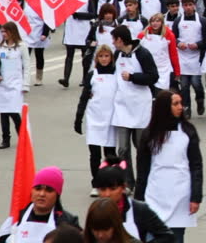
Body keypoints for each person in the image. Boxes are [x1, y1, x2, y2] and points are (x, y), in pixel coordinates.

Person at [136, 91, 203, 243]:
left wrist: (196, 197)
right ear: (164, 107)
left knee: (176, 238)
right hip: (155, 195)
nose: (181, 107)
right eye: (175, 104)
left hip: (180, 196)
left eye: (181, 103)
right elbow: (142, 170)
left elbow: (196, 166)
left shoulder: (188, 131)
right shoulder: (149, 135)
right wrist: (138, 201)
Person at [110, 25, 159, 192]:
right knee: (122, 149)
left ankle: (145, 180)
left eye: (114, 39)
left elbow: (153, 76)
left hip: (140, 107)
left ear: (121, 40)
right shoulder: (118, 54)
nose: (113, 43)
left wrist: (133, 77)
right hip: (122, 107)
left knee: (141, 147)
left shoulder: (142, 53)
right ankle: (128, 182)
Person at [92, 158, 175, 242]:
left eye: (113, 189)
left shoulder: (139, 209)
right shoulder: (95, 210)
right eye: (102, 189)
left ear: (124, 187)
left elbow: (167, 236)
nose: (107, 194)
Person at [74, 45, 118, 196]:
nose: (104, 59)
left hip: (111, 119)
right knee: (94, 154)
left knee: (110, 154)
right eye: (101, 56)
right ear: (97, 58)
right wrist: (78, 117)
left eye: (107, 56)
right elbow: (84, 96)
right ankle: (96, 183)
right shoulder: (92, 75)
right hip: (94, 118)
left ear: (111, 58)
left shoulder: (117, 74)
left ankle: (110, 182)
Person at [0, 167, 81, 242]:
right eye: (38, 189)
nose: (42, 194)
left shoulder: (68, 223)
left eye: (49, 190)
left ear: (57, 195)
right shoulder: (17, 217)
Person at [172, 0, 206, 119]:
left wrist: (198, 45)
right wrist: (178, 43)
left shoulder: (202, 21)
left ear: (194, 5)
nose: (188, 8)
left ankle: (200, 99)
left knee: (196, 83)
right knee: (185, 85)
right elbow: (173, 37)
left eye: (190, 5)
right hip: (182, 57)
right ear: (182, 7)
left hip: (196, 57)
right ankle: (186, 107)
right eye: (185, 5)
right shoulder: (178, 21)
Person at [0, 21, 30, 149]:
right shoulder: (0, 47)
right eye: (2, 32)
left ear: (12, 32)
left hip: (16, 84)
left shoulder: (21, 46)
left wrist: (26, 84)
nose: (3, 34)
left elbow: (27, 66)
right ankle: (6, 139)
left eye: (5, 32)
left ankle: (23, 136)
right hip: (2, 84)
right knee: (3, 112)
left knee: (14, 112)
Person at [138, 14, 181, 94]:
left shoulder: (169, 35)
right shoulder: (142, 35)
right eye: (153, 21)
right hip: (147, 69)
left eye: (158, 21)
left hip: (164, 70)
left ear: (162, 22)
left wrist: (177, 72)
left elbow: (173, 54)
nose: (155, 23)